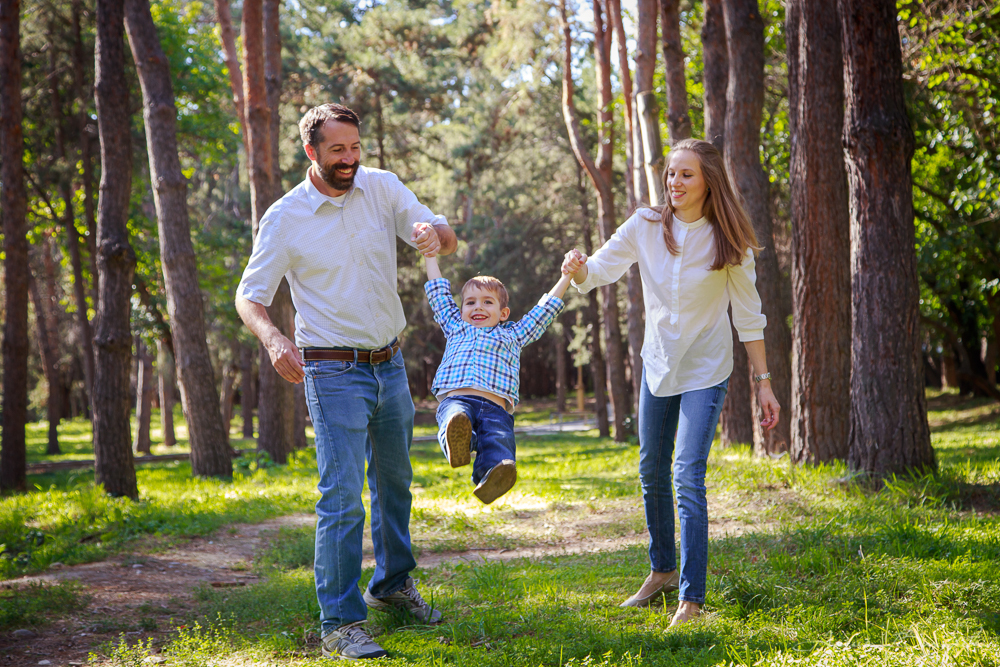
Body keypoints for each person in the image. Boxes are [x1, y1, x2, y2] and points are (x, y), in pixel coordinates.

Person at [235, 103, 458, 660]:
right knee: (342, 497)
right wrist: (273, 339)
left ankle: (392, 586)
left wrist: (437, 236)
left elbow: (439, 234)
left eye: (355, 147)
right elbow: (250, 294)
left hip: (389, 362)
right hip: (331, 368)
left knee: (396, 482)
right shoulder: (285, 217)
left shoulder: (380, 187)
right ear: (311, 152)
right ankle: (340, 620)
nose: (350, 159)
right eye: (338, 150)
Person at [561, 138, 780, 628]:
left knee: (686, 475)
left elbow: (749, 316)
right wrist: (578, 269)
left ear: (708, 183)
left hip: (706, 368)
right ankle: (661, 571)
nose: (674, 183)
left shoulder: (730, 241)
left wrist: (764, 382)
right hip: (659, 364)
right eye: (671, 173)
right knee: (651, 470)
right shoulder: (645, 226)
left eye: (686, 175)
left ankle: (692, 599)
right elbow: (599, 270)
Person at [422, 254, 570, 504]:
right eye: (470, 302)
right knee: (456, 419)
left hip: (496, 409)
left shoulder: (513, 334)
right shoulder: (455, 326)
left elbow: (543, 312)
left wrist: (566, 276)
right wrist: (429, 256)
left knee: (500, 445)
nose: (477, 307)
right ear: (461, 310)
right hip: (458, 400)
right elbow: (438, 294)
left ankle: (491, 477)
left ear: (503, 313)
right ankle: (459, 443)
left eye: (487, 302)